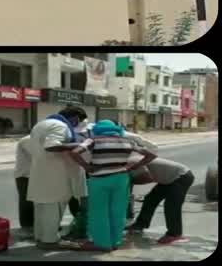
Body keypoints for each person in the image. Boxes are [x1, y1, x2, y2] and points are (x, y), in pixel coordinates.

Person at [68, 120, 156, 252]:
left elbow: (74, 152)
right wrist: (133, 166)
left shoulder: (93, 140)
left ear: (98, 129)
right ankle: (115, 242)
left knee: (99, 212)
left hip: (99, 180)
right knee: (118, 211)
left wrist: (86, 166)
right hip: (121, 179)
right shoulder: (127, 141)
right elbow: (151, 155)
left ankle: (101, 243)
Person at [27, 105, 90, 249]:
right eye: (78, 122)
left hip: (41, 173)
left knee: (42, 208)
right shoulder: (60, 126)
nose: (77, 125)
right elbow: (51, 146)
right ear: (75, 118)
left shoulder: (40, 124)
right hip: (55, 176)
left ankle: (41, 238)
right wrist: (82, 144)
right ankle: (50, 241)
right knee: (53, 209)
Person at [126, 158, 194, 245]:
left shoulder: (132, 163)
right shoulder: (129, 162)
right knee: (150, 199)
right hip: (168, 179)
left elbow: (148, 178)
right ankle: (140, 225)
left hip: (182, 176)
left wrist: (132, 181)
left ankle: (175, 234)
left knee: (171, 206)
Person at [14, 135, 34, 231]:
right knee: (26, 202)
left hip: (33, 175)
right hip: (25, 175)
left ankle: (35, 225)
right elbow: (36, 154)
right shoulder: (28, 140)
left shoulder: (37, 139)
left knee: (34, 201)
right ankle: (27, 226)